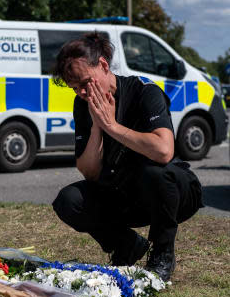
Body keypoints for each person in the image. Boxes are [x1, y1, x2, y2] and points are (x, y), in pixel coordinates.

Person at [51, 32, 203, 281]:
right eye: (75, 88)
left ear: (102, 65)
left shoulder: (144, 91)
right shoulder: (83, 104)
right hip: (124, 193)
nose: (81, 92)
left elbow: (164, 150)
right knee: (68, 200)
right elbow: (89, 171)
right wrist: (98, 125)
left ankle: (162, 253)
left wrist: (112, 126)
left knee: (156, 172)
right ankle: (126, 245)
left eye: (85, 82)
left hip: (171, 192)